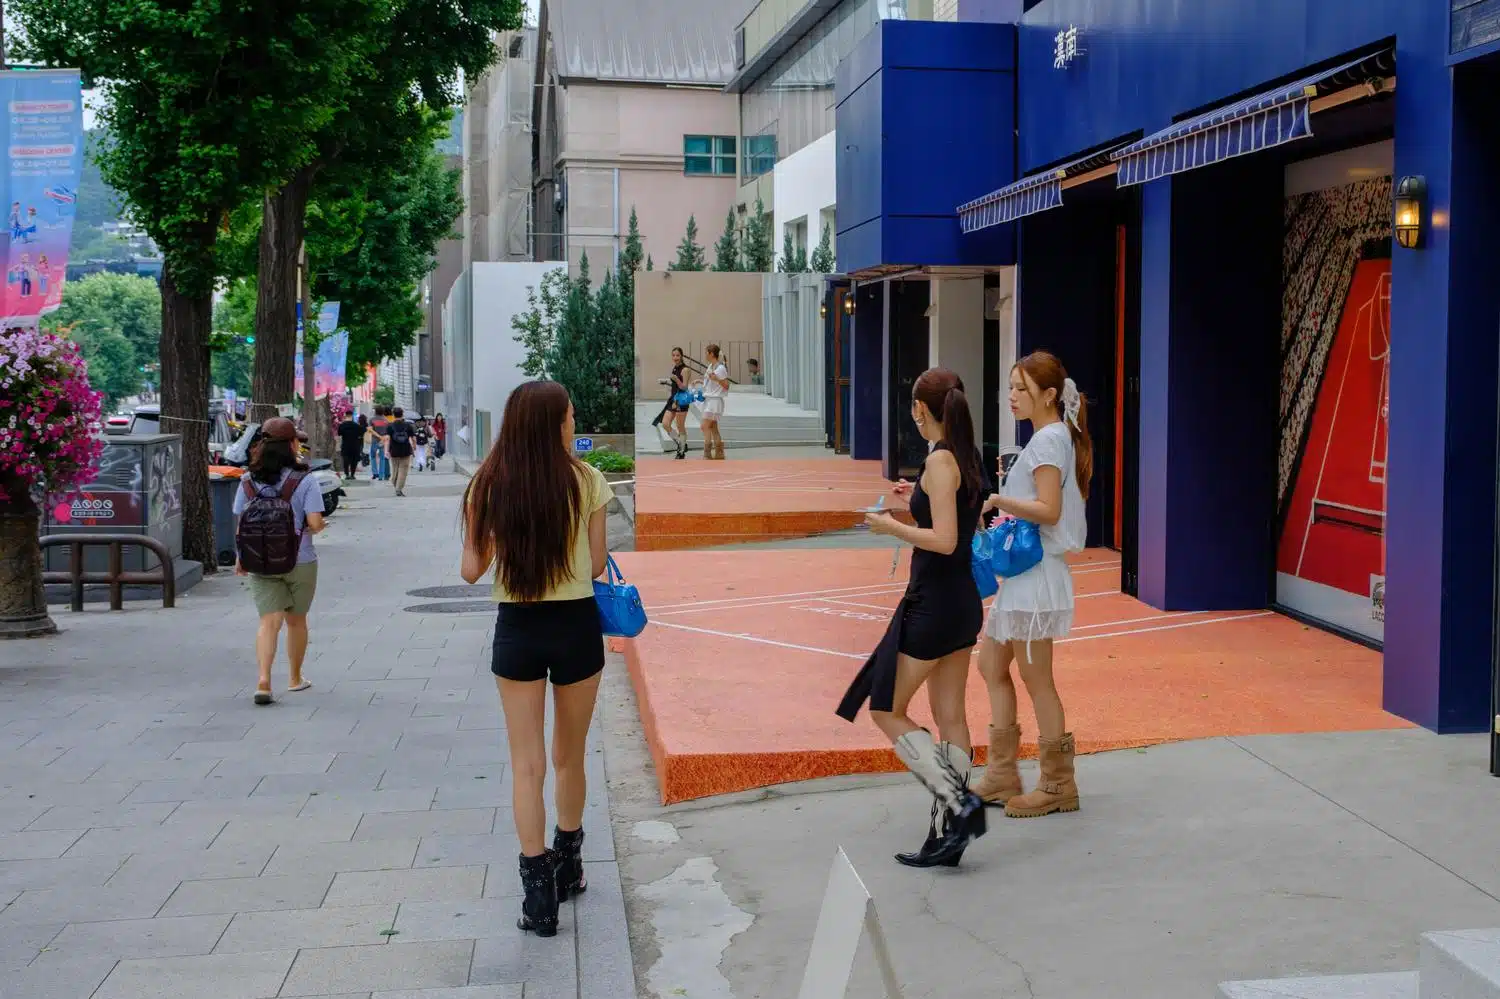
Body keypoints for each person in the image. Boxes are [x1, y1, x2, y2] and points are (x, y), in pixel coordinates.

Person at [460, 379, 612, 939]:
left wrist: (499, 533)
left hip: (517, 628)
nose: (575, 423)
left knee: (527, 765)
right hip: (575, 626)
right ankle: (570, 864)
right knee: (570, 757)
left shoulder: (490, 484)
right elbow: (596, 566)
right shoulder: (588, 482)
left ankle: (537, 896)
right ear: (555, 424)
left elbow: (470, 570)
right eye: (571, 416)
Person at [837, 367, 989, 868]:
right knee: (951, 717)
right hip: (961, 603)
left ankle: (959, 805)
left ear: (923, 409)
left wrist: (891, 527)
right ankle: (950, 834)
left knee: (886, 708)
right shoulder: (965, 456)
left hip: (935, 604)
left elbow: (944, 541)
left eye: (913, 409)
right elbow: (959, 520)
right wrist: (917, 501)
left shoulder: (941, 460)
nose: (912, 417)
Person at [970, 350, 1090, 819]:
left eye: (1021, 388)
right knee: (992, 665)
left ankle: (1058, 782)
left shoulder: (1046, 442)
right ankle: (1003, 774)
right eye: (1011, 387)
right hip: (1027, 578)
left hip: (1036, 579)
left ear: (1049, 395)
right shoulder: (1051, 438)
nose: (1012, 396)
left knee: (1037, 679)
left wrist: (998, 498)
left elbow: (1049, 511)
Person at [233, 417, 324, 705]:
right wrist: (317, 527)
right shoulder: (305, 479)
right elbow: (315, 522)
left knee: (268, 622)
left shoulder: (247, 480)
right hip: (301, 559)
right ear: (291, 445)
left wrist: (241, 558)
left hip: (259, 560)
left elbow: (241, 522)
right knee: (296, 621)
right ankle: (295, 678)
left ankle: (263, 680)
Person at [699, 344, 730, 461]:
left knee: (704, 426)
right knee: (713, 427)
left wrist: (716, 379)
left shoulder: (720, 368)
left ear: (711, 354)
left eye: (707, 352)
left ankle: (707, 453)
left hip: (715, 401)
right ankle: (719, 452)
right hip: (709, 399)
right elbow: (709, 382)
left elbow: (726, 386)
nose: (705, 355)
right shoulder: (711, 366)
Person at [661, 347, 690, 459]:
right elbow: (675, 385)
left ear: (681, 356)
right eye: (673, 355)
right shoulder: (675, 368)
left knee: (680, 426)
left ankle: (681, 451)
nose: (675, 358)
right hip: (673, 399)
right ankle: (681, 443)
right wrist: (666, 382)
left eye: (677, 355)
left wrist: (677, 380)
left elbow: (684, 387)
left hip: (681, 400)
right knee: (665, 423)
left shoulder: (685, 370)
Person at [386, 406, 416, 496]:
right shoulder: (407, 425)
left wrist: (387, 450)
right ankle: (398, 489)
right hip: (405, 450)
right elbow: (413, 437)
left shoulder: (390, 426)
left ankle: (395, 484)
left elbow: (387, 439)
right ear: (402, 414)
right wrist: (414, 446)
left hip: (394, 450)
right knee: (403, 470)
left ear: (394, 415)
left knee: (395, 469)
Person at [336, 411, 365, 481]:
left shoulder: (342, 425)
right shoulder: (357, 426)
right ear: (352, 416)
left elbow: (339, 434)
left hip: (345, 445)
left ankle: (347, 474)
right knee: (354, 461)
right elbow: (361, 434)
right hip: (355, 445)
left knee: (345, 460)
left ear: (345, 416)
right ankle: (352, 474)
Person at [369, 406, 391, 481]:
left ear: (375, 411)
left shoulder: (372, 420)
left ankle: (375, 472)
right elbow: (388, 432)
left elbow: (370, 430)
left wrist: (378, 436)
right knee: (382, 458)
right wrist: (382, 438)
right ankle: (381, 476)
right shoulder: (386, 420)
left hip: (374, 440)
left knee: (373, 457)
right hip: (383, 441)